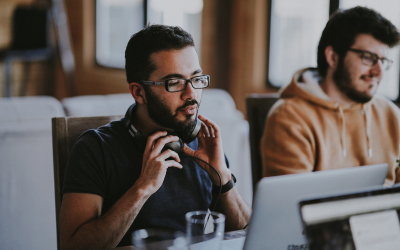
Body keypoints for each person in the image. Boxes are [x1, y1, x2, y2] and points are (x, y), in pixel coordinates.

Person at [60, 25, 251, 250]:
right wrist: (142, 188)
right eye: (175, 83)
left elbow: (245, 234)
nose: (192, 95)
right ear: (138, 92)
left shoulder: (202, 142)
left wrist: (222, 177)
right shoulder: (95, 148)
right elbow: (72, 247)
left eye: (196, 79)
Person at [261, 6, 400, 185]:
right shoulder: (290, 118)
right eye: (368, 57)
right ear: (333, 57)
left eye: (383, 61)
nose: (378, 72)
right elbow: (291, 207)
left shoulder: (390, 114)